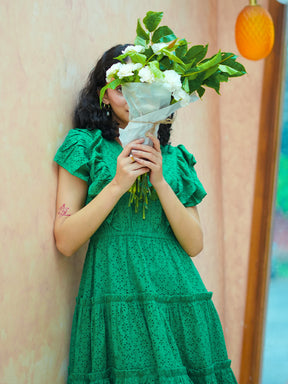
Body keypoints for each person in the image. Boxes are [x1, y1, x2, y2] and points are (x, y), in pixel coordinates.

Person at [54, 44, 238, 383]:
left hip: (176, 296)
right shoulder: (85, 146)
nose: (133, 98)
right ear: (104, 95)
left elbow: (194, 243)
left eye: (146, 90)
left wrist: (160, 180)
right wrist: (117, 184)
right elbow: (65, 240)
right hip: (115, 293)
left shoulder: (175, 158)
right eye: (123, 88)